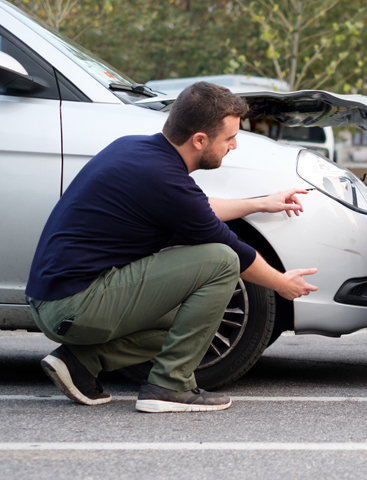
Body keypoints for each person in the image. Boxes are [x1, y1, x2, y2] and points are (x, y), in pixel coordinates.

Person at [26, 81, 318, 413]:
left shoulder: (135, 150)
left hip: (56, 301)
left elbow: (196, 206)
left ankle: (79, 362)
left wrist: (260, 203)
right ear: (199, 140)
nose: (234, 145)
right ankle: (169, 386)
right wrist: (282, 284)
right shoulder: (165, 180)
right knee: (221, 259)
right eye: (229, 138)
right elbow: (232, 248)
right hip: (74, 305)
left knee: (196, 319)